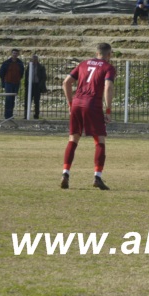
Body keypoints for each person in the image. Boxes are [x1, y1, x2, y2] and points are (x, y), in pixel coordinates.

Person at [60, 43, 116, 190]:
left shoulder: (83, 64)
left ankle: (65, 173)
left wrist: (70, 103)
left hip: (77, 103)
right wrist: (108, 110)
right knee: (99, 141)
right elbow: (108, 86)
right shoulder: (108, 67)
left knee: (73, 139)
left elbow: (66, 82)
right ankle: (97, 177)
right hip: (92, 104)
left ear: (96, 53)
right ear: (109, 54)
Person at [0, 49, 25, 119]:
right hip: (8, 83)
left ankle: (11, 114)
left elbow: (21, 72)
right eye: (14, 53)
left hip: (16, 83)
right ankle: (7, 115)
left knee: (13, 99)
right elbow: (1, 73)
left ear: (18, 54)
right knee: (8, 99)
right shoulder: (6, 63)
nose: (15, 54)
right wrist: (5, 80)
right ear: (11, 54)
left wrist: (18, 79)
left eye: (16, 53)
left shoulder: (20, 63)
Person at [23, 54, 47, 119]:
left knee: (36, 101)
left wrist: (40, 85)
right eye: (33, 59)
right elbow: (26, 76)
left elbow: (44, 77)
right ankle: (26, 115)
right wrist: (26, 85)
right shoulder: (29, 66)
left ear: (37, 60)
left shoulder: (41, 67)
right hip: (29, 85)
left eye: (35, 59)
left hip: (37, 85)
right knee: (27, 101)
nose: (34, 60)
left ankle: (36, 115)